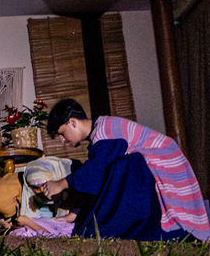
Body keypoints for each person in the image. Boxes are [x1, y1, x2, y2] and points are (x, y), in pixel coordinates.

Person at [38, 98, 206, 241]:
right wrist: (74, 215)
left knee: (124, 166)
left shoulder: (106, 130)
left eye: (61, 133)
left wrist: (61, 183)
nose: (62, 140)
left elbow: (97, 171)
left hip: (165, 175)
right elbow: (99, 179)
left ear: (72, 122)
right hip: (156, 175)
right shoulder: (100, 135)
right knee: (114, 169)